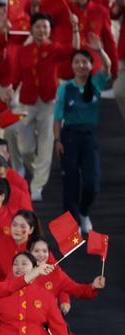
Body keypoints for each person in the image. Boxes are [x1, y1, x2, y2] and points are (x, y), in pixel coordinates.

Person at [53, 47, 112, 233]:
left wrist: (99, 50)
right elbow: (57, 117)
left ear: (91, 65)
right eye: (77, 62)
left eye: (85, 62)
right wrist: (57, 140)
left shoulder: (96, 84)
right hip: (69, 136)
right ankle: (72, 225)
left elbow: (108, 66)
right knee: (70, 182)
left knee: (91, 183)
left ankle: (84, 212)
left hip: (89, 138)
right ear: (71, 65)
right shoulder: (65, 88)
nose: (81, 65)